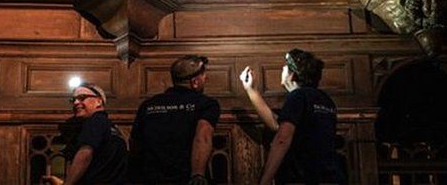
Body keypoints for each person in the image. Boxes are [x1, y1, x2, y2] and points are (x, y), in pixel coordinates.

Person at [239, 49, 345, 185]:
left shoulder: (297, 97)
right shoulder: (325, 99)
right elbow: (278, 125)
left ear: (292, 74)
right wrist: (251, 90)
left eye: (285, 66)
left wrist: (264, 181)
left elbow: (282, 138)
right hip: (331, 177)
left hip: (304, 178)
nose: (282, 68)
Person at [129, 55, 220, 185]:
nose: (206, 78)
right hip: (185, 178)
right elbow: (203, 136)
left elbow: (135, 143)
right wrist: (197, 174)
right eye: (204, 76)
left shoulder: (148, 105)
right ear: (195, 82)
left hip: (151, 178)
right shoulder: (206, 103)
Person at [42, 82, 127, 185]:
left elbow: (85, 153)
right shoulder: (112, 128)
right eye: (73, 100)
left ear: (99, 101)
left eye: (82, 98)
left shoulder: (95, 121)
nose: (76, 103)